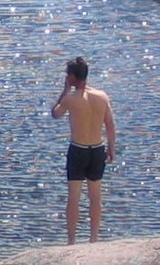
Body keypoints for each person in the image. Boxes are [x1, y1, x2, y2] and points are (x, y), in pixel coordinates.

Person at [49, 56, 116, 244]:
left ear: (72, 77)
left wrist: (64, 91)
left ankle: (71, 240)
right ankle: (93, 238)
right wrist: (111, 148)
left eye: (67, 75)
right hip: (97, 148)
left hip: (78, 149)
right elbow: (110, 126)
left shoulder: (71, 99)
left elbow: (55, 113)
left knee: (74, 196)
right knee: (95, 195)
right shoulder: (102, 96)